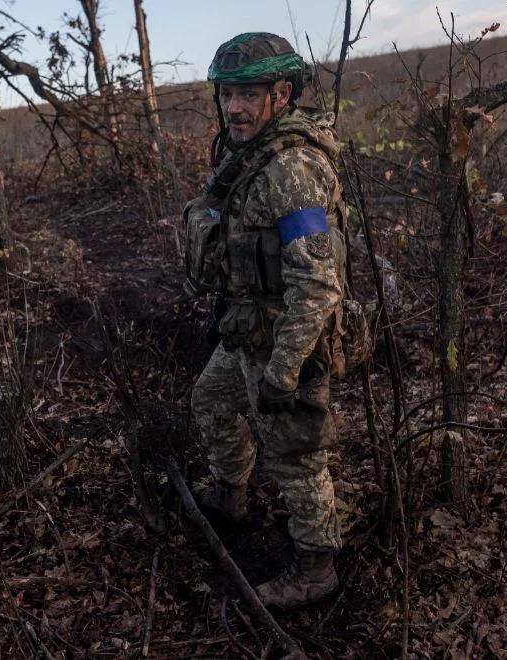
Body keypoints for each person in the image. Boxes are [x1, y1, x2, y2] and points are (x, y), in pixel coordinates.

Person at [183, 32, 347, 608]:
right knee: (210, 400)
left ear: (282, 93)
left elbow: (317, 282)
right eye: (228, 93)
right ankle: (231, 494)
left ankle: (315, 569)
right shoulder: (244, 156)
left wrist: (285, 369)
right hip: (248, 333)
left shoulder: (292, 170)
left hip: (286, 343)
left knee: (297, 457)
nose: (235, 107)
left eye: (249, 93)